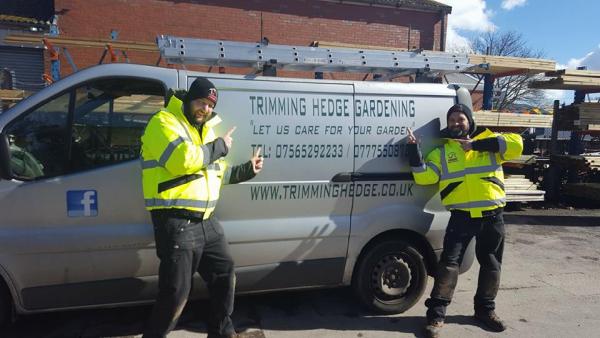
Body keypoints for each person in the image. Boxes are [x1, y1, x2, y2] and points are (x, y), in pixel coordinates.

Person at [140, 77, 263, 338]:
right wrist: (220, 147)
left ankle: (221, 332)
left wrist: (246, 170)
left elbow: (215, 173)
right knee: (175, 293)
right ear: (188, 99)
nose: (205, 109)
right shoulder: (163, 122)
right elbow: (182, 161)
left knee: (224, 274)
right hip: (175, 222)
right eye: (201, 102)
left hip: (206, 222)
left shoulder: (205, 131)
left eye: (209, 105)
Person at [407, 103, 523, 338]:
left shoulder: (490, 142)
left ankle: (485, 311)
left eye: (460, 119)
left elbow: (517, 145)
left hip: (493, 216)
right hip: (461, 216)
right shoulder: (441, 152)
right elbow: (424, 177)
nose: (456, 123)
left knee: (491, 266)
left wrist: (476, 144)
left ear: (469, 121)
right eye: (452, 121)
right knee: (448, 266)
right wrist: (413, 152)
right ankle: (436, 316)